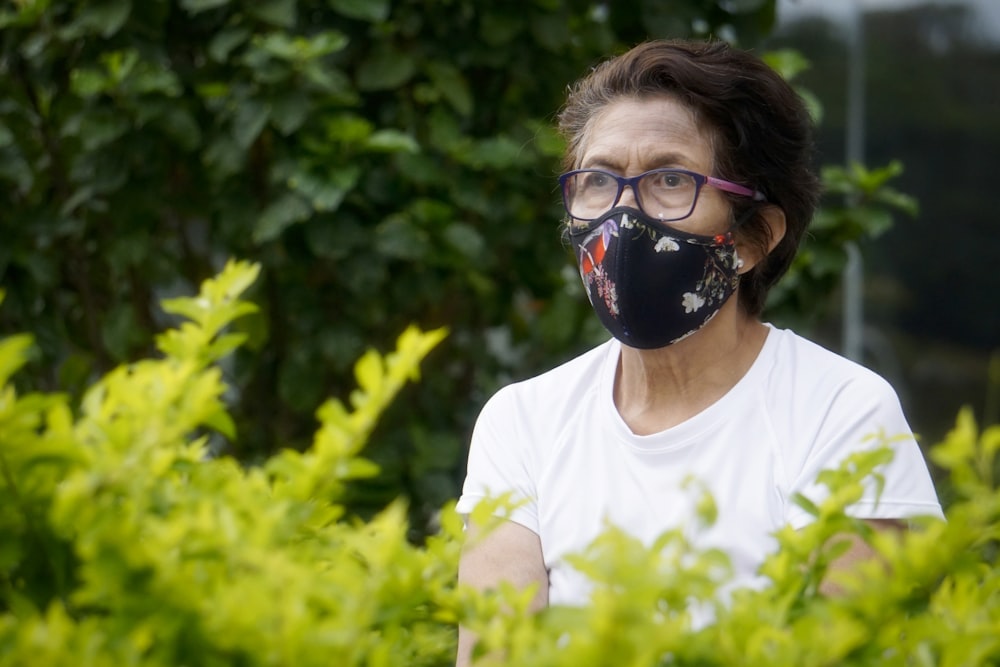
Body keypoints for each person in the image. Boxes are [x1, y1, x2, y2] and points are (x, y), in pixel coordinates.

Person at [454, 38, 942, 665]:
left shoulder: (839, 413)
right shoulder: (522, 421)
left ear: (754, 237)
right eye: (598, 180)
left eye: (670, 180)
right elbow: (499, 656)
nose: (623, 215)